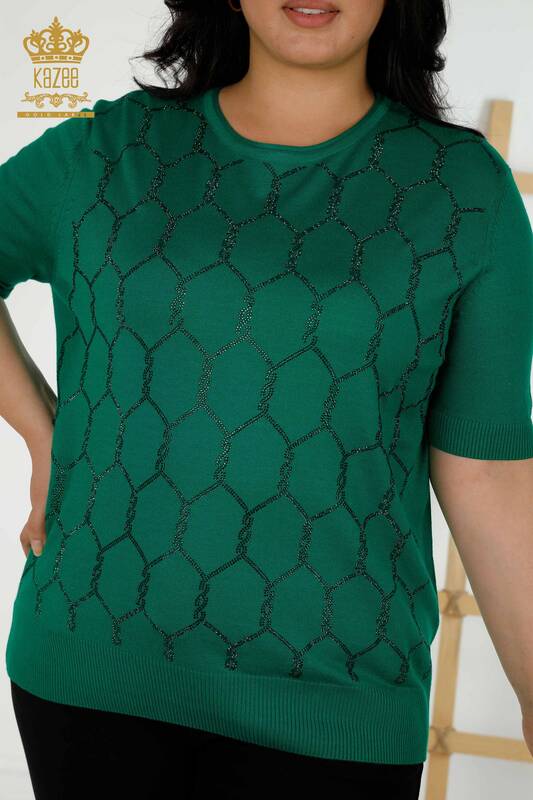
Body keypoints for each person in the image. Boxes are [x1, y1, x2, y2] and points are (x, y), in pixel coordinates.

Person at [1, 0, 532, 798]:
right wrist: (42, 431)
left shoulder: (462, 190)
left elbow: (487, 469)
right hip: (91, 672)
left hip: (337, 704)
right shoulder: (105, 148)